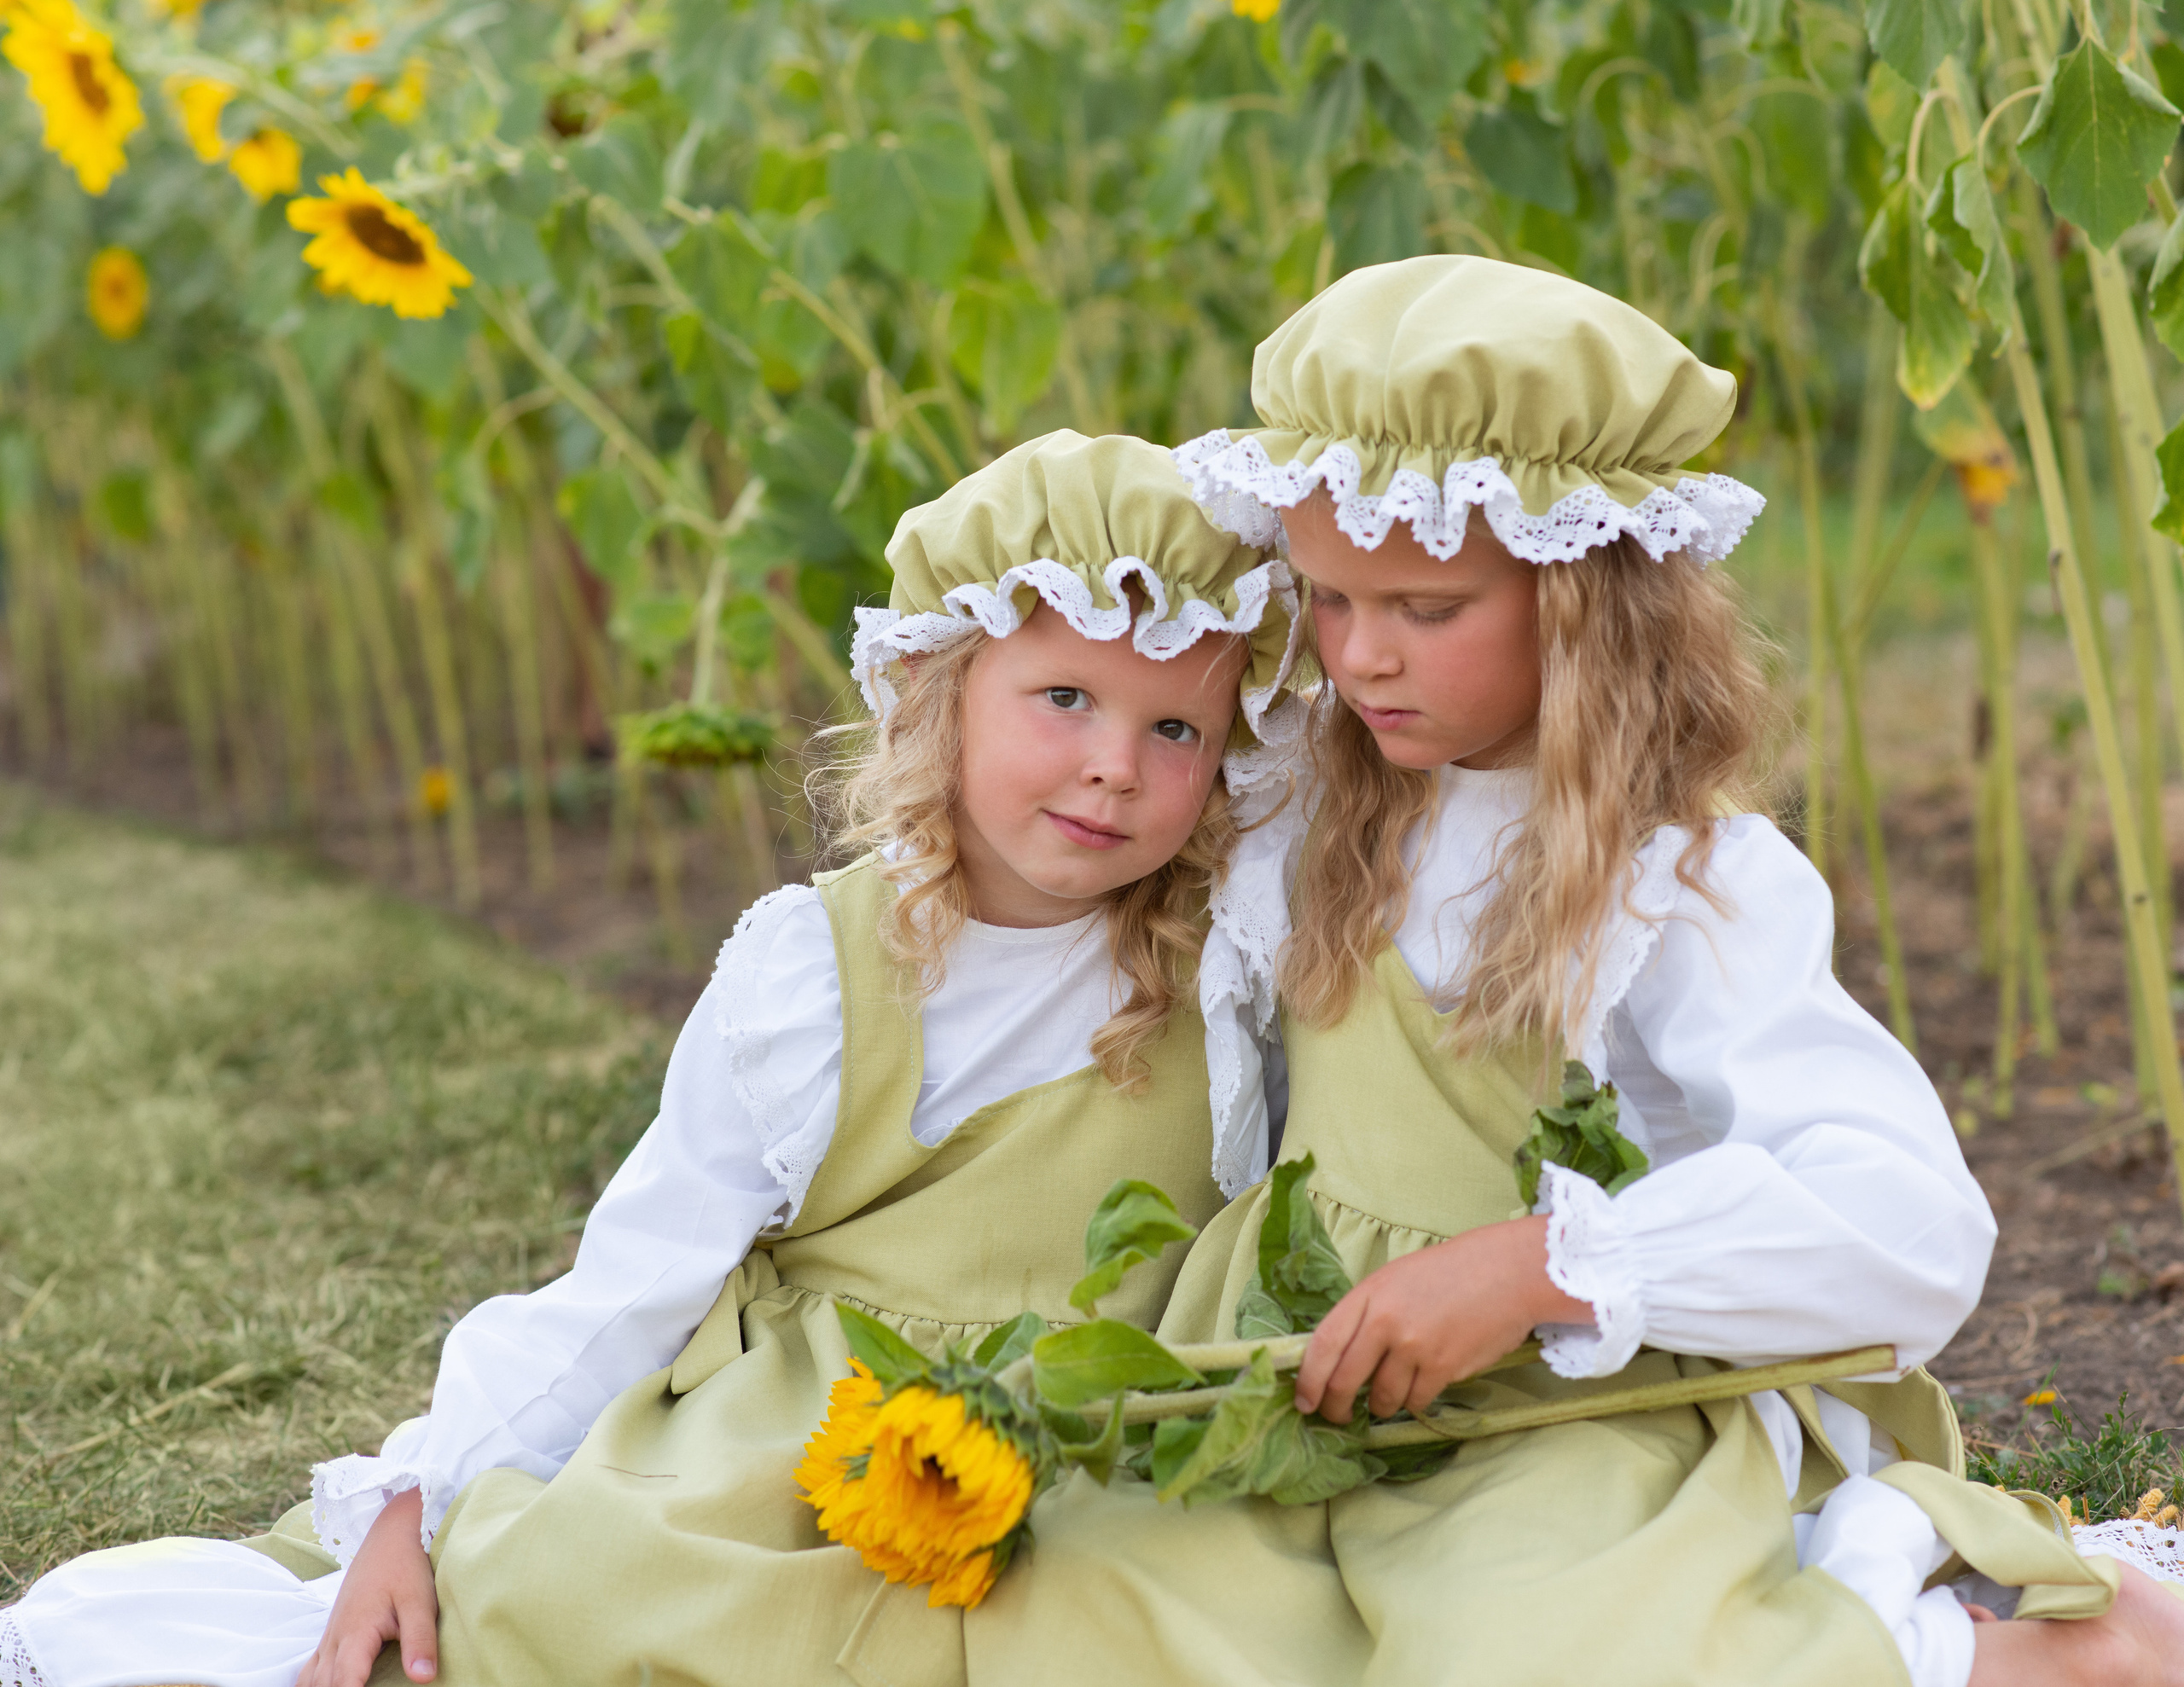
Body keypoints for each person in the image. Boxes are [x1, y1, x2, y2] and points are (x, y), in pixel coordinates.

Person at [964, 258, 2184, 1687]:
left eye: (1426, 607)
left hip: (1554, 1414)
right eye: (1330, 597)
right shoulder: (1299, 795)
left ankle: (2019, 1654)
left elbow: (1911, 1223)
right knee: (1087, 1603)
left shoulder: (1680, 881)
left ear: (1585, 596)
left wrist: (1544, 1265)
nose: (1360, 657)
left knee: (1524, 1653)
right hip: (1309, 1374)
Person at [0, 430, 1301, 1687]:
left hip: (1091, 1443)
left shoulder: (1231, 951)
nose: (1114, 767)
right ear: (936, 688)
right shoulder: (820, 976)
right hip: (816, 1451)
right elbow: (635, 1277)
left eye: (1175, 731)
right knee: (612, 1602)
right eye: (1064, 698)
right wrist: (416, 1495)